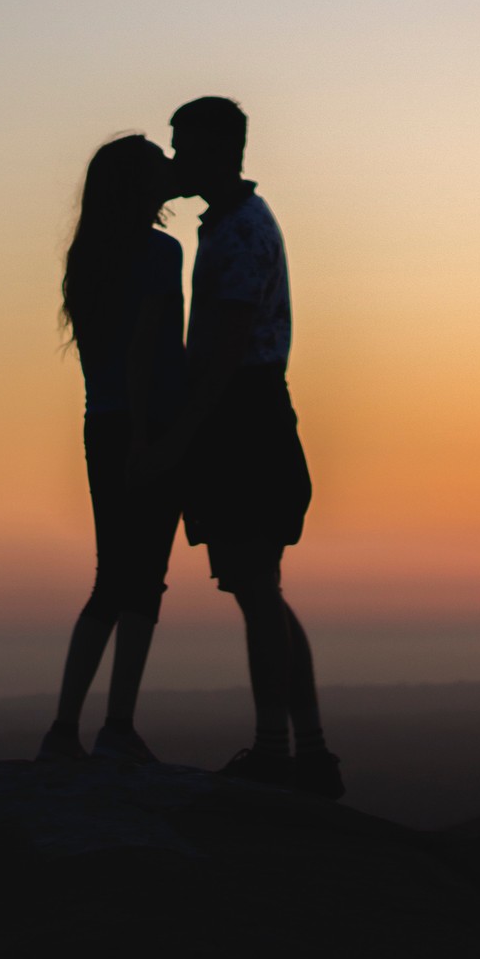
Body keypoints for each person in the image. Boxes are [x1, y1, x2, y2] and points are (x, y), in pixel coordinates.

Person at [148, 95, 343, 797]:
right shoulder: (232, 224)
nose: (175, 159)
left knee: (257, 587)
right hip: (247, 415)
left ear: (220, 149)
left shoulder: (238, 233)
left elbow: (228, 348)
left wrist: (183, 435)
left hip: (245, 419)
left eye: (183, 146)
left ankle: (278, 754)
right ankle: (307, 751)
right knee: (258, 587)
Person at [40, 133, 185, 764]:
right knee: (142, 580)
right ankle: (115, 727)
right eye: (157, 167)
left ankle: (66, 730)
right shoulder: (160, 253)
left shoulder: (88, 257)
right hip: (146, 424)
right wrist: (153, 437)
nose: (170, 171)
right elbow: (148, 349)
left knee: (113, 578)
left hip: (101, 425)